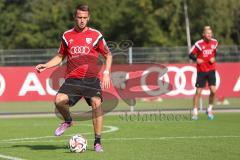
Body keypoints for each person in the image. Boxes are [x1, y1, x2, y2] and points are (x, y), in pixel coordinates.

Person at [36, 4, 112, 152]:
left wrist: (107, 73)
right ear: (74, 17)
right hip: (72, 79)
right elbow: (60, 56)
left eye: (85, 18)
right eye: (79, 17)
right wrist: (46, 65)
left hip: (91, 79)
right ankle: (68, 121)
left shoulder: (96, 35)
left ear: (88, 18)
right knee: (59, 100)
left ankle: (97, 142)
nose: (82, 20)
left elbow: (108, 54)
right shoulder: (67, 36)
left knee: (97, 103)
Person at [189, 26, 218, 120]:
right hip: (201, 71)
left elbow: (215, 52)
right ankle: (195, 112)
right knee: (198, 92)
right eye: (207, 33)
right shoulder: (198, 44)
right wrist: (196, 59)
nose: (209, 34)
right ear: (203, 34)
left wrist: (214, 58)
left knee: (213, 90)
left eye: (210, 33)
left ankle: (209, 109)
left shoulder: (215, 42)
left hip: (211, 70)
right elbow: (190, 54)